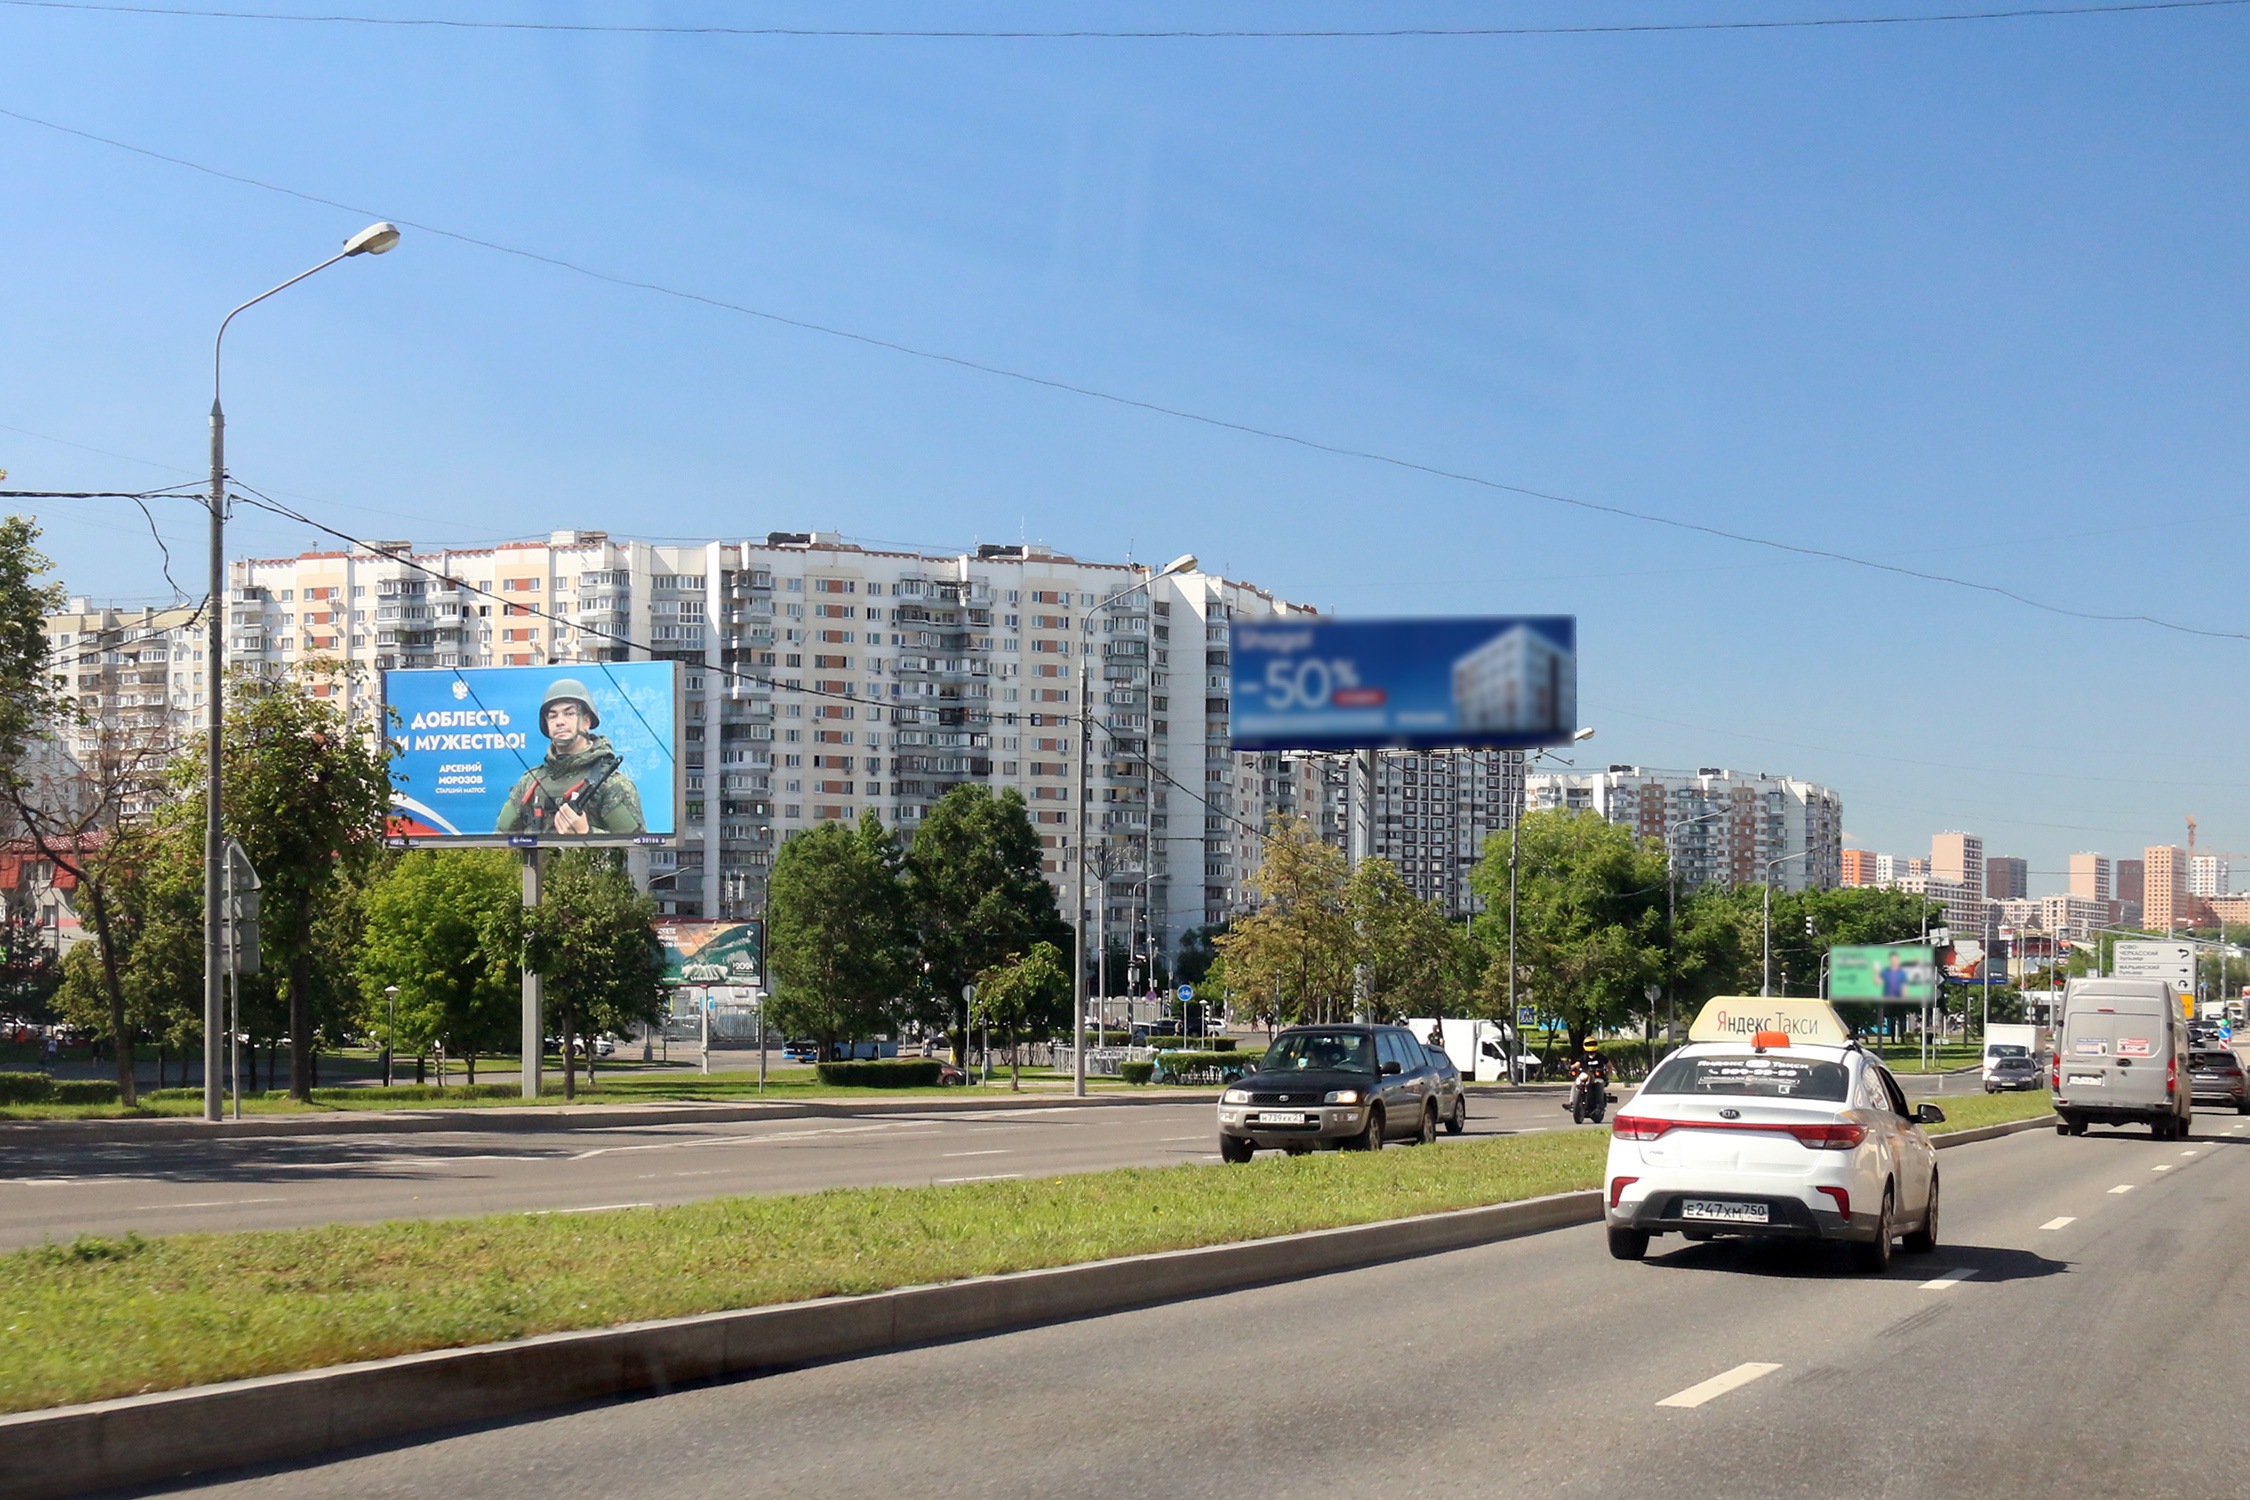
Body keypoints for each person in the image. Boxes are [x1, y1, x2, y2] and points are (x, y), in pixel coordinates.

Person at [496, 678, 647, 836]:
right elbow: (500, 839)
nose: (559, 722)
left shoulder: (611, 784)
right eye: (553, 716)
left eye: (569, 713)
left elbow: (637, 845)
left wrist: (586, 833)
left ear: (586, 721)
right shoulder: (529, 782)